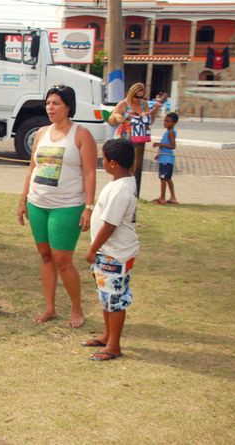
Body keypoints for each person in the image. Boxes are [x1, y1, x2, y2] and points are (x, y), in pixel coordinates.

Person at [17, 85, 96, 328]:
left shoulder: (81, 135)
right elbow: (32, 170)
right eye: (48, 103)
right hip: (37, 203)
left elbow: (90, 173)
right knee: (45, 256)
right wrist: (23, 200)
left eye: (56, 103)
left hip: (67, 206)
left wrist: (89, 207)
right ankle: (50, 307)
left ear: (68, 106)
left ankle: (76, 309)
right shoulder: (41, 133)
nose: (50, 108)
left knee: (62, 260)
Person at [84, 139, 139, 361]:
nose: (102, 161)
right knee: (105, 296)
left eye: (104, 158)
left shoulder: (121, 190)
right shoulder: (121, 180)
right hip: (107, 253)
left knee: (115, 299)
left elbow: (109, 225)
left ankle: (114, 345)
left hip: (114, 254)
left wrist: (92, 249)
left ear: (114, 163)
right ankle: (107, 335)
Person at [152, 112, 179, 205]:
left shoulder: (171, 132)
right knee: (167, 178)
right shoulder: (167, 132)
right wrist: (159, 154)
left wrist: (159, 144)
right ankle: (172, 197)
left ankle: (162, 197)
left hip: (167, 159)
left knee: (163, 178)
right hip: (164, 157)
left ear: (174, 123)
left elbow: (172, 146)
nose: (165, 123)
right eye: (165, 121)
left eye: (168, 121)